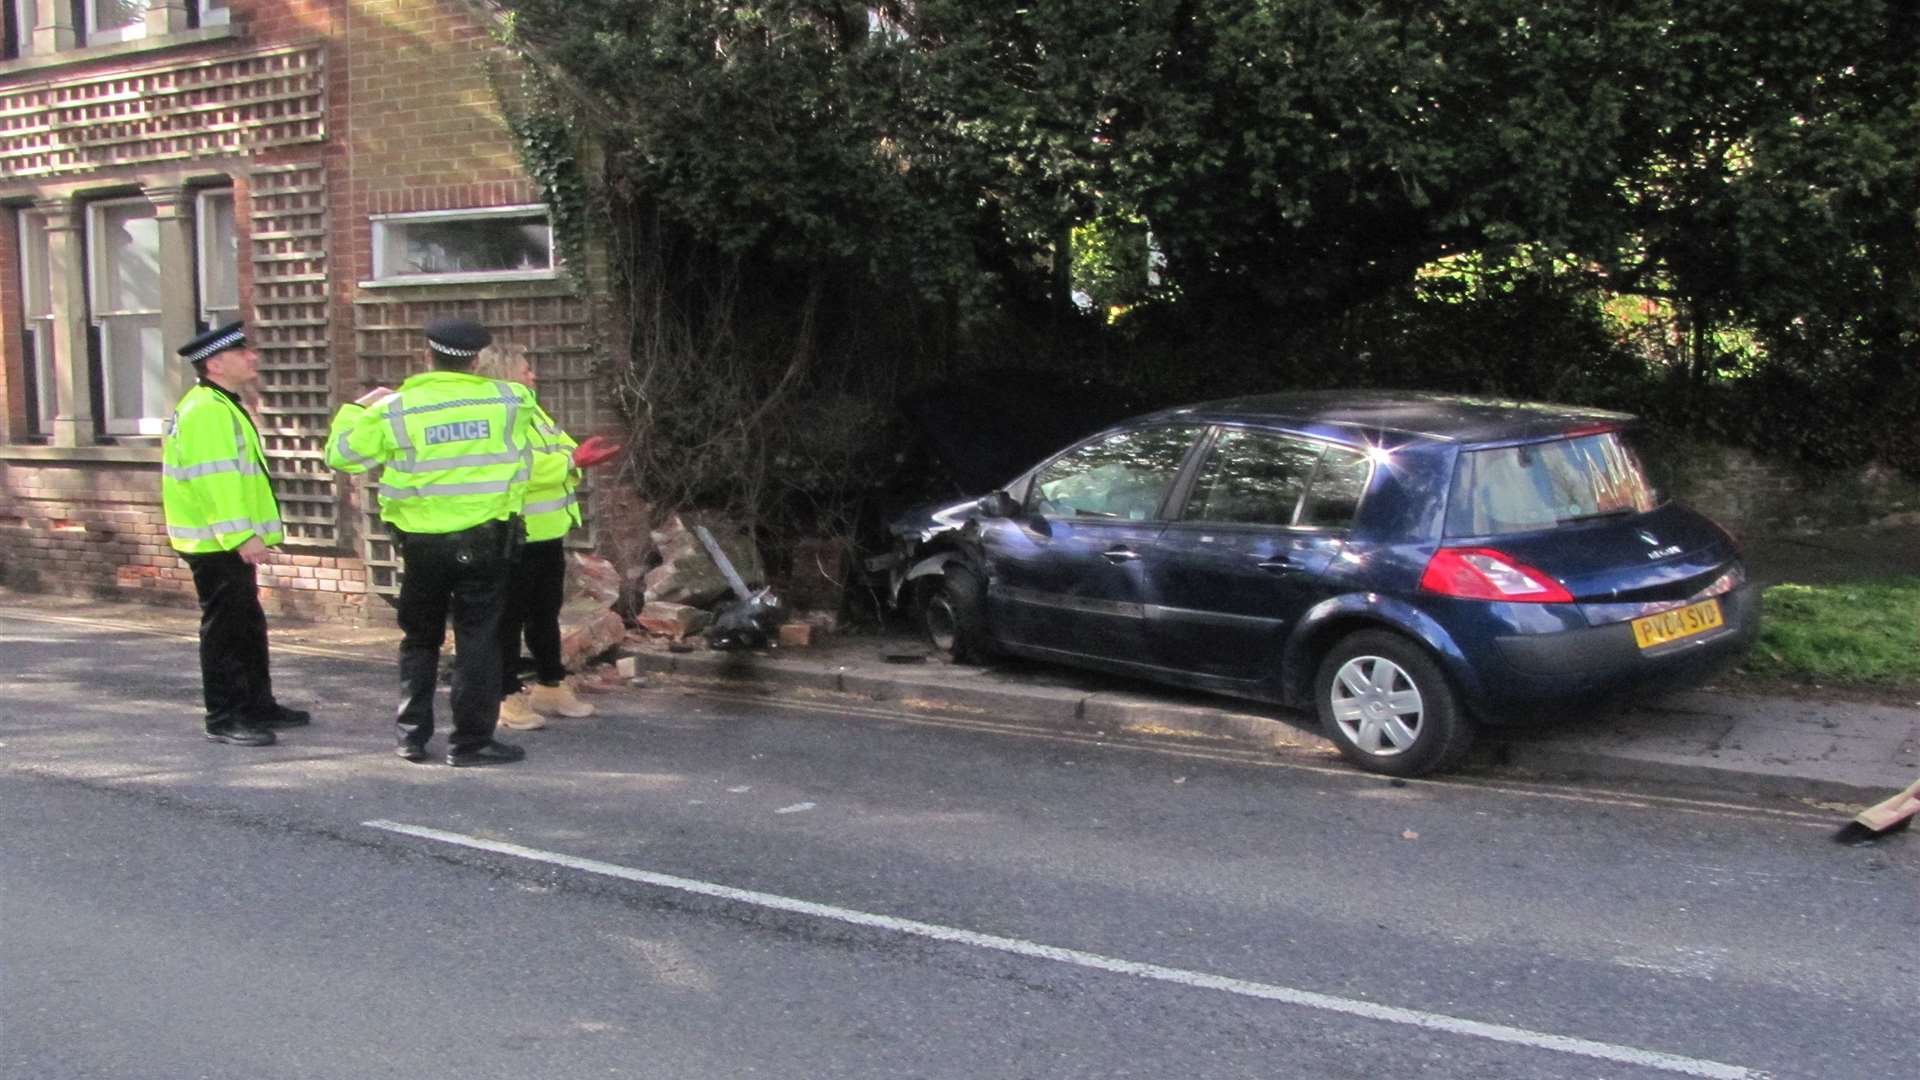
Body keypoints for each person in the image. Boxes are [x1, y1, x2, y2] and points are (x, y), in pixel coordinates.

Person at [325, 316, 537, 767]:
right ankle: (470, 743)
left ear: (427, 355)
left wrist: (360, 407)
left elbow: (342, 455)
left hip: (423, 545)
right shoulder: (512, 399)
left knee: (419, 639)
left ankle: (411, 736)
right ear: (478, 360)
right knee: (478, 641)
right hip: (487, 542)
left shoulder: (396, 409)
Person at [161, 321, 312, 746]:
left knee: (246, 623)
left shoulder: (218, 404)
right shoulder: (207, 411)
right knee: (226, 628)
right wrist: (241, 536)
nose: (252, 357)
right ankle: (225, 716)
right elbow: (217, 482)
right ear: (215, 363)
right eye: (241, 352)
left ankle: (256, 705)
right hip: (216, 543)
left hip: (221, 540)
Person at [468, 343, 620, 728]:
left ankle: (551, 686)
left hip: (546, 533)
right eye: (525, 371)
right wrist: (571, 462)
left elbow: (562, 453)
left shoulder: (531, 412)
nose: (533, 377)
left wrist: (574, 458)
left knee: (544, 615)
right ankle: (505, 696)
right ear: (504, 376)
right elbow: (518, 468)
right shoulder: (495, 417)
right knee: (508, 620)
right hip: (512, 535)